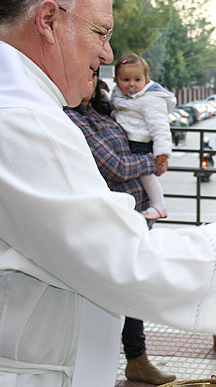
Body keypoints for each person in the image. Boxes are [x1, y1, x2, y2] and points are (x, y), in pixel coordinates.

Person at [0, 0, 216, 386]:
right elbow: (120, 260)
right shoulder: (20, 119)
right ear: (48, 20)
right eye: (101, 32)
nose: (107, 54)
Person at [64, 69, 175, 385]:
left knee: (133, 288)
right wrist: (153, 163)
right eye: (83, 71)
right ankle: (100, 368)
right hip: (107, 221)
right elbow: (115, 166)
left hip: (136, 216)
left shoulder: (104, 111)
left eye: (93, 74)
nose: (89, 79)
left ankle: (137, 359)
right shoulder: (70, 118)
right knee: (107, 295)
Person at [111, 53, 175, 220]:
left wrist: (162, 152)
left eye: (137, 79)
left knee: (146, 176)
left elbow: (160, 127)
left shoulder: (151, 99)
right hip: (130, 141)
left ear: (146, 80)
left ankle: (159, 205)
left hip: (141, 142)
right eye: (126, 80)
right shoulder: (121, 95)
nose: (131, 84)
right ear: (116, 80)